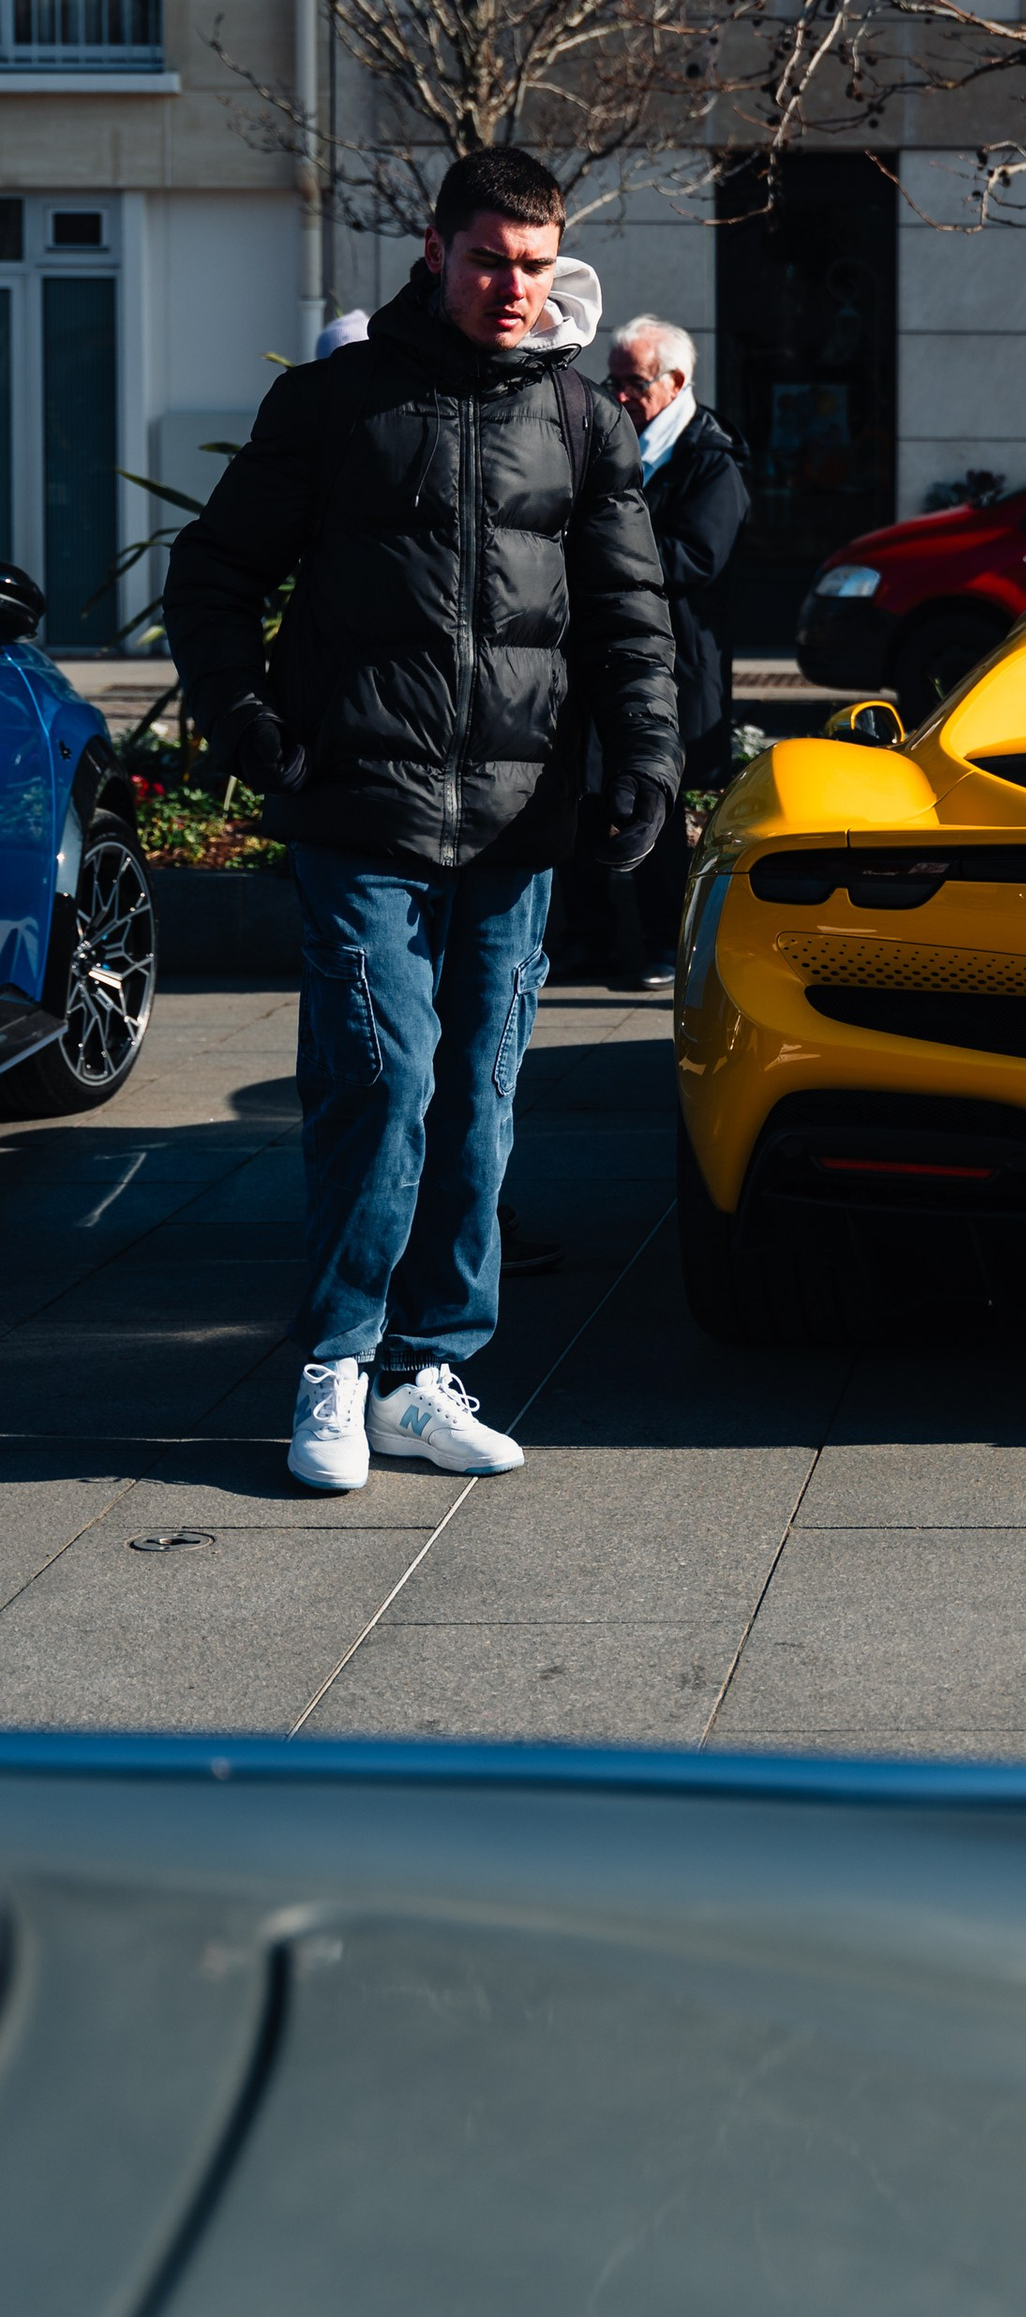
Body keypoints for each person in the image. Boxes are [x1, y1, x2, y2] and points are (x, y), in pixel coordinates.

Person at [163, 147, 680, 1497]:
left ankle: (425, 1372)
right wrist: (253, 732)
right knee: (381, 1086)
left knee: (481, 1110)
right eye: (490, 260)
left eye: (535, 264)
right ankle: (336, 1361)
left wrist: (647, 762)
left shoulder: (581, 422)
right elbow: (213, 576)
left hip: (515, 825)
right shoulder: (334, 406)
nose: (514, 287)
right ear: (436, 250)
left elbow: (632, 620)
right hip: (364, 810)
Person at [578, 314, 749, 991]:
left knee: (656, 801)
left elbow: (696, 558)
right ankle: (591, 941)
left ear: (676, 382)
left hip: (675, 662)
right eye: (611, 380)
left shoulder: (712, 458)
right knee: (592, 792)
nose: (618, 395)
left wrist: (603, 551)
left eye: (633, 383)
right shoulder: (612, 442)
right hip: (607, 651)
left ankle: (662, 947)